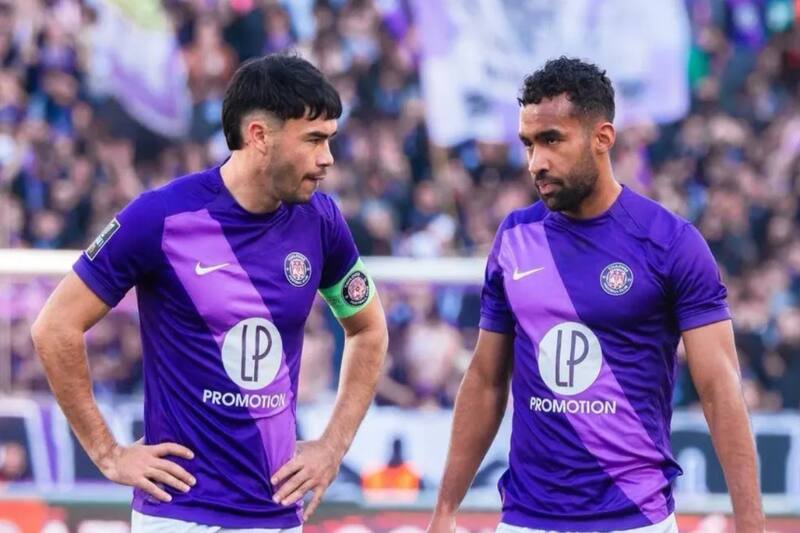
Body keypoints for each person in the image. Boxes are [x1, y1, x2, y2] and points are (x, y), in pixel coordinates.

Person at [31, 53, 388, 532]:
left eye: (330, 140)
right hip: (180, 513)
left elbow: (368, 329)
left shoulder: (321, 221)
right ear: (259, 136)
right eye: (314, 140)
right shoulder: (160, 218)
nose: (327, 158)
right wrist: (107, 452)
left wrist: (332, 446)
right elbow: (55, 326)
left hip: (276, 513)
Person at [426, 57, 764, 533]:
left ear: (602, 138)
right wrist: (444, 509)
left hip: (633, 520)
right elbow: (484, 381)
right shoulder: (515, 238)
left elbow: (721, 391)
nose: (535, 161)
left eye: (551, 140)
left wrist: (751, 525)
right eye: (528, 144)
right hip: (526, 520)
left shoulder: (670, 243)